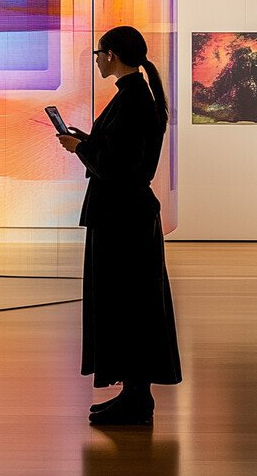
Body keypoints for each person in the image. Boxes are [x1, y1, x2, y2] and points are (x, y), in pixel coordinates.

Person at [56, 26, 182, 425]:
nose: (96, 59)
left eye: (99, 53)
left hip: (122, 217)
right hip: (125, 215)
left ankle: (136, 399)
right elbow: (118, 154)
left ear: (111, 55)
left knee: (128, 307)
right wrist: (87, 142)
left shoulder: (133, 100)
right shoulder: (135, 95)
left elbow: (116, 167)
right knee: (130, 306)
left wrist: (82, 148)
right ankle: (133, 396)